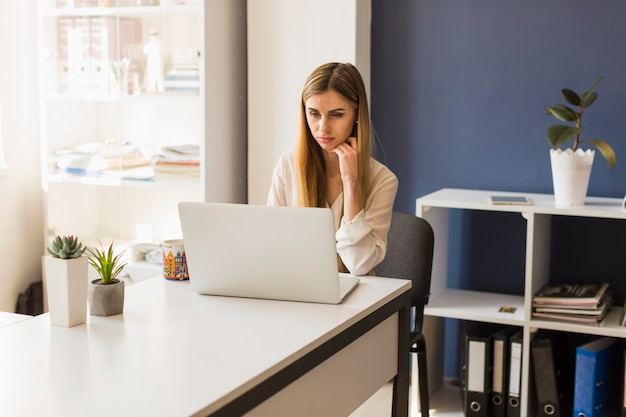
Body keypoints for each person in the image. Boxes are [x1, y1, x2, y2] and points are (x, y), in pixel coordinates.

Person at [267, 62, 398, 276]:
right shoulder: (287, 166)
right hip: (298, 293)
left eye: (336, 115)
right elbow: (272, 246)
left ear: (357, 115)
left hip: (357, 301)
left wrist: (351, 184)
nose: (323, 127)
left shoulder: (383, 180)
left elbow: (359, 265)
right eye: (314, 114)